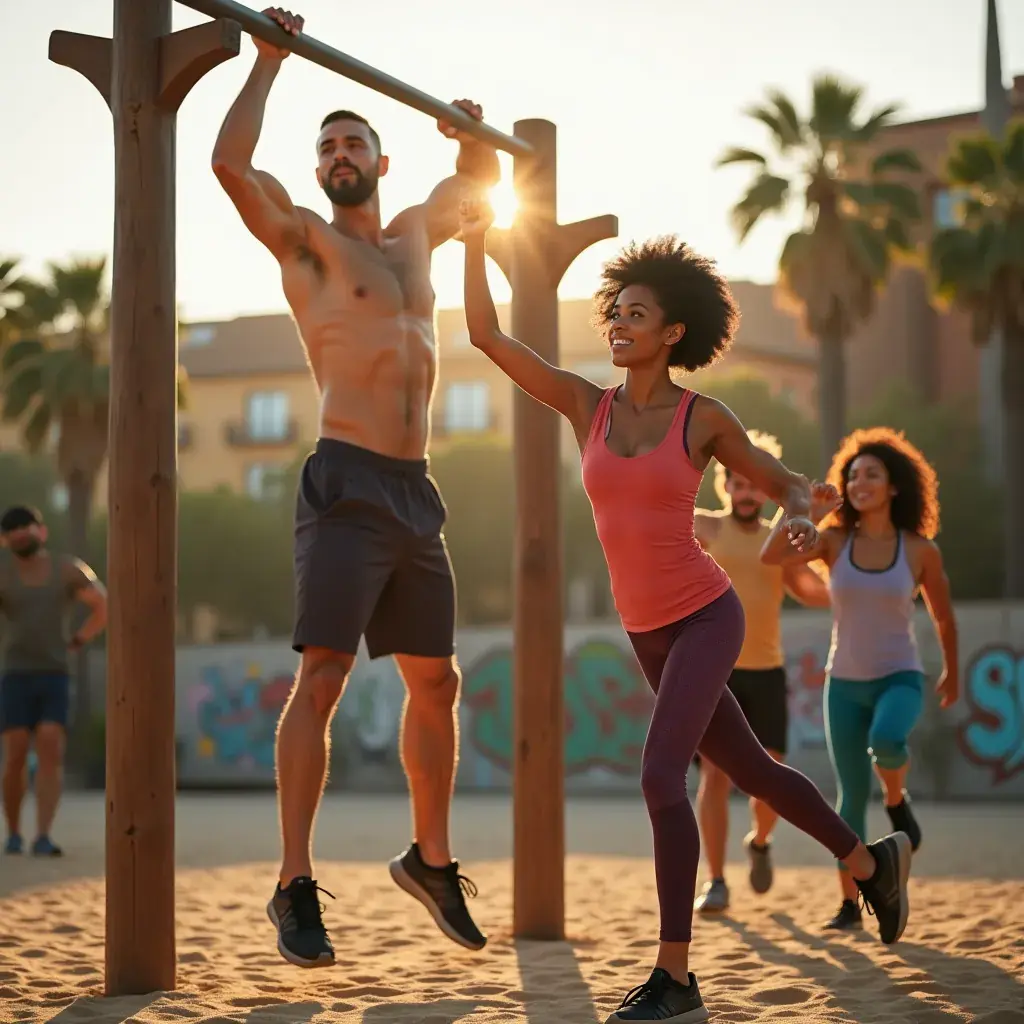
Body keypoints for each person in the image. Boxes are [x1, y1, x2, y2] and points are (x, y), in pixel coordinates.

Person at [459, 198, 913, 1024]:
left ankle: (676, 976)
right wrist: (474, 239)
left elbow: (778, 484)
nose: (619, 324)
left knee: (661, 777)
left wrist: (803, 517)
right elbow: (488, 339)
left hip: (707, 618)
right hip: (646, 633)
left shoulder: (703, 417)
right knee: (753, 772)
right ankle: (870, 861)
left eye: (638, 313)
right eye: (615, 312)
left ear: (674, 332)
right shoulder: (583, 406)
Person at [210, 7, 499, 968]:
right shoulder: (308, 245)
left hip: (416, 488)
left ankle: (429, 858)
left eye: (354, 142)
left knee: (438, 680)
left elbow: (482, 188)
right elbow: (231, 166)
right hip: (345, 478)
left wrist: (466, 136)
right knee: (324, 676)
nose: (339, 153)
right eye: (327, 145)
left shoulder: (417, 233)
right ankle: (294, 883)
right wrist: (266, 63)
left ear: (379, 161)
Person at [761, 426, 959, 932]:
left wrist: (953, 672)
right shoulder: (833, 541)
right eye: (852, 475)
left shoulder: (920, 551)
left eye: (872, 474)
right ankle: (851, 903)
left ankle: (896, 798)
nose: (859, 482)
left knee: (887, 741)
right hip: (843, 684)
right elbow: (773, 556)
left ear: (895, 486)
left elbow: (942, 616)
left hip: (900, 676)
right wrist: (813, 513)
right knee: (848, 797)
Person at [691, 432, 831, 915]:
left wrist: (858, 592)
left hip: (767, 671)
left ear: (768, 492)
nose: (747, 493)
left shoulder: (782, 538)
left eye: (756, 486)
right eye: (738, 483)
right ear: (724, 487)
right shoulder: (705, 528)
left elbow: (811, 589)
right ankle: (714, 881)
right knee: (715, 775)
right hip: (716, 673)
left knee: (769, 777)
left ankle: (761, 841)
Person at [0, 505, 107, 857]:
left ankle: (42, 835)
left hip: (54, 672)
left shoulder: (66, 570)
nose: (20, 534)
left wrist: (79, 639)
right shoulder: (4, 573)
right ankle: (14, 833)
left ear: (41, 532)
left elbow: (101, 604)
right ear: (5, 539)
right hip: (15, 672)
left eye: (26, 527)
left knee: (49, 746)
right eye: (12, 530)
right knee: (15, 751)